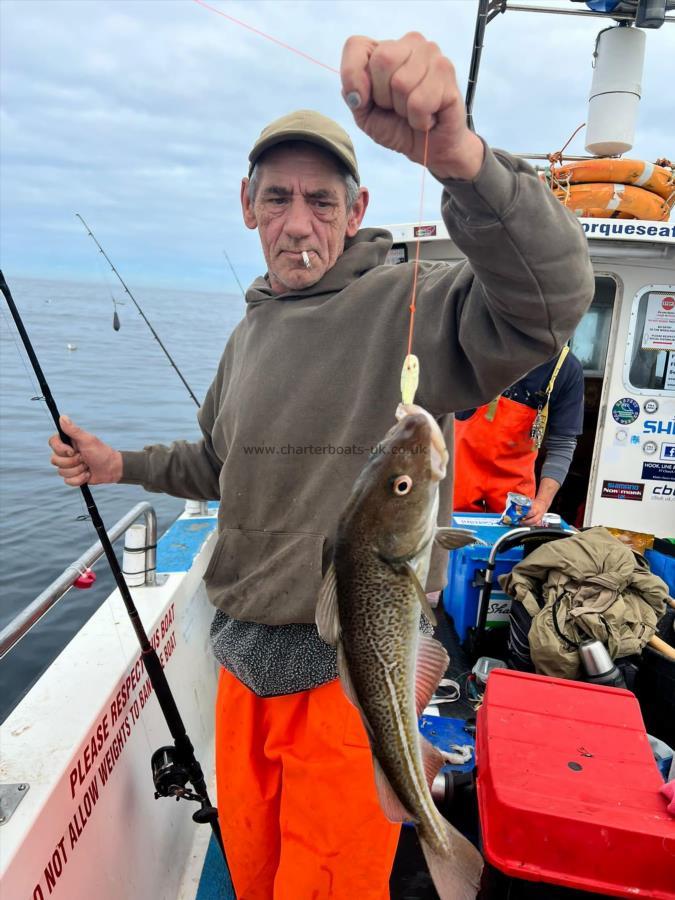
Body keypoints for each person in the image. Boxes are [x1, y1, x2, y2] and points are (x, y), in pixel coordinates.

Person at [48, 32, 594, 900]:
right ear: (246, 206)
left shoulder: (407, 301)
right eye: (277, 199)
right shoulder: (245, 334)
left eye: (319, 200)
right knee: (257, 876)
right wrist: (122, 463)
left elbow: (551, 298)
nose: (297, 222)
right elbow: (218, 464)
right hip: (238, 669)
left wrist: (461, 158)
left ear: (355, 205)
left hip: (345, 686)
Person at [453, 347, 585, 525]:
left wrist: (542, 503)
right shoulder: (480, 341)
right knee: (449, 540)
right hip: (458, 474)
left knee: (512, 546)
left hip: (514, 489)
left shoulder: (567, 368)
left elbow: (563, 444)